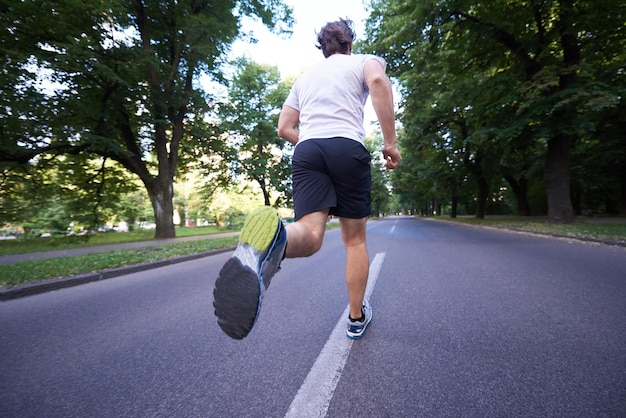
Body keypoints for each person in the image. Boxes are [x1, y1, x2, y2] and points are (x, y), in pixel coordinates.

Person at [213, 18, 402, 340]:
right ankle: (356, 318)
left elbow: (284, 128)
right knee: (354, 240)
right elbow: (380, 83)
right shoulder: (363, 62)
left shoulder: (306, 77)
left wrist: (314, 141)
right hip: (347, 146)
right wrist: (390, 144)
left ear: (323, 48)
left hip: (308, 150)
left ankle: (275, 239)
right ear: (349, 44)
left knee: (311, 235)